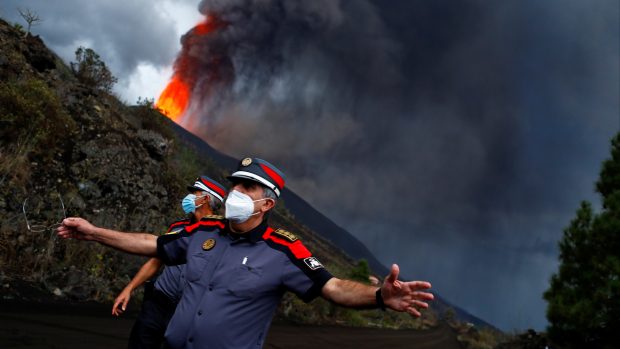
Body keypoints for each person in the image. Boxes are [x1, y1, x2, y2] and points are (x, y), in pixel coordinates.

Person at [57, 157, 434, 349]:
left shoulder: (285, 249)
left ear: (267, 204)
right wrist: (94, 233)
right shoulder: (203, 230)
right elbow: (153, 244)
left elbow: (332, 287)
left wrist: (378, 297)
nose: (236, 192)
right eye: (235, 183)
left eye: (248, 189)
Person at [112, 176, 227, 349]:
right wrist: (129, 288)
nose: (188, 198)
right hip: (157, 303)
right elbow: (156, 261)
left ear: (205, 199)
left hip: (186, 312)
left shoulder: (222, 238)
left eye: (194, 194)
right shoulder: (177, 228)